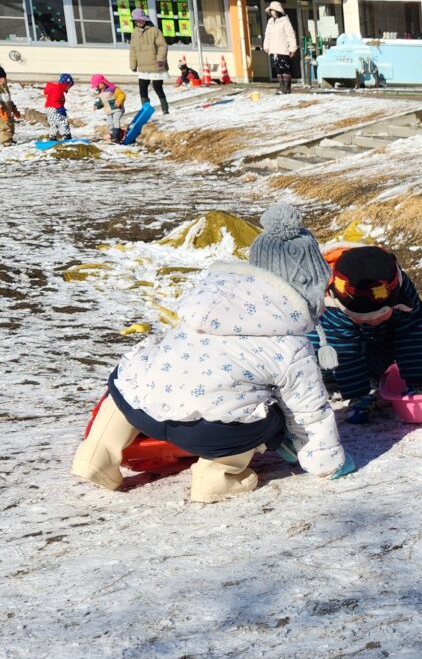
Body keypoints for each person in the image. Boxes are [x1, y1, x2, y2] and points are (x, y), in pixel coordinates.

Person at [71, 205, 351, 503]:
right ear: (308, 286)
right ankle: (217, 476)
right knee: (271, 414)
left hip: (141, 409)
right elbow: (308, 411)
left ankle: (96, 454)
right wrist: (326, 462)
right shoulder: (291, 342)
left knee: (131, 376)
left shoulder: (208, 300)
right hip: (208, 433)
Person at [313, 245, 422, 419]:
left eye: (378, 316)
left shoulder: (401, 290)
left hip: (380, 335)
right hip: (334, 342)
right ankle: (334, 381)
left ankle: (376, 372)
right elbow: (345, 352)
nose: (372, 321)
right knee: (323, 351)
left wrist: (416, 383)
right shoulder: (332, 301)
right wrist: (358, 396)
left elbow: (412, 334)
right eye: (362, 318)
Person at [129, 6, 170, 116]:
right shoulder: (134, 33)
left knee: (158, 88)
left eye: (140, 20)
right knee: (142, 89)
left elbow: (162, 46)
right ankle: (145, 111)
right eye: (136, 20)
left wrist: (160, 59)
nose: (138, 22)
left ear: (144, 19)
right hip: (143, 67)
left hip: (156, 65)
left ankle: (165, 109)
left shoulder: (154, 31)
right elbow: (133, 49)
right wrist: (133, 64)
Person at [263, 1, 299, 94]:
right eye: (271, 10)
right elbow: (267, 35)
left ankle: (287, 88)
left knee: (285, 68)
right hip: (273, 49)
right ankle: (281, 87)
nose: (273, 12)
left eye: (274, 10)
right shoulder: (270, 22)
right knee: (278, 69)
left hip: (283, 49)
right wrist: (266, 45)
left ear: (278, 11)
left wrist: (292, 48)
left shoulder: (285, 21)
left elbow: (291, 35)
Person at [91, 73, 127, 143]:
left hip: (117, 109)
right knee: (109, 124)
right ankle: (118, 134)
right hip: (109, 111)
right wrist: (96, 105)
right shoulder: (100, 92)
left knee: (115, 120)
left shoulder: (113, 88)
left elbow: (121, 94)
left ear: (102, 82)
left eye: (98, 85)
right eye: (96, 86)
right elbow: (101, 102)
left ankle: (115, 136)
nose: (97, 87)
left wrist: (119, 101)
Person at [43, 73, 74, 140]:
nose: (69, 88)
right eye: (69, 86)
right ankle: (66, 136)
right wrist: (60, 109)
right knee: (62, 122)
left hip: (49, 108)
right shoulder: (57, 90)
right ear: (65, 84)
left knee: (54, 123)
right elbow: (55, 100)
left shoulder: (57, 89)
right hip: (55, 109)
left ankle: (52, 137)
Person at [0, 67, 17, 146]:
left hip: (8, 110)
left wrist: (13, 107)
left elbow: (9, 99)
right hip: (2, 112)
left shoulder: (5, 88)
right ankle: (5, 141)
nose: (4, 79)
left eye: (4, 77)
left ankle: (10, 138)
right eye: (2, 77)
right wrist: (1, 109)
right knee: (5, 126)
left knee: (11, 125)